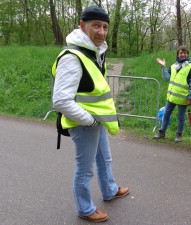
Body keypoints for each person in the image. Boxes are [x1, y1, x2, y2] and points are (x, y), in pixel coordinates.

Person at [52, 6, 129, 223]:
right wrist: (89, 119)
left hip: (95, 120)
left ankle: (109, 190)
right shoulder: (72, 56)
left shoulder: (93, 52)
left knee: (104, 158)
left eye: (105, 27)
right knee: (85, 170)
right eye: (96, 26)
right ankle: (85, 209)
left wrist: (97, 119)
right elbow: (60, 100)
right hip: (84, 122)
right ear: (82, 25)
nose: (102, 32)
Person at [153, 45, 191, 142]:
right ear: (178, 54)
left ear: (187, 54)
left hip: (183, 98)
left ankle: (179, 135)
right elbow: (166, 78)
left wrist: (190, 97)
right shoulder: (173, 66)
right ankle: (162, 132)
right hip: (171, 97)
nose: (183, 55)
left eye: (185, 53)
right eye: (181, 53)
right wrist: (163, 67)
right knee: (166, 114)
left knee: (181, 117)